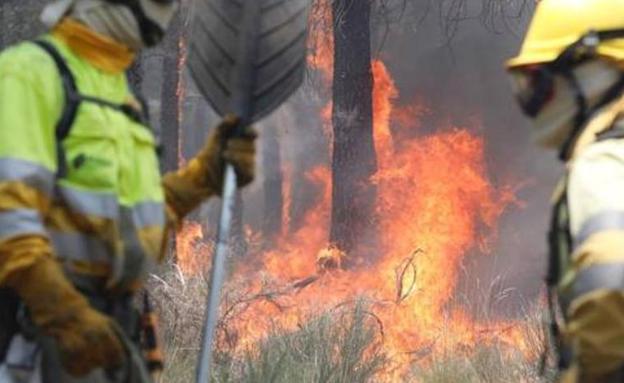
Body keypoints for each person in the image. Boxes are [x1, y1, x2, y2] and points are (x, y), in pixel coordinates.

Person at [0, 0, 257, 382]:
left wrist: (205, 175)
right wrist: (64, 313)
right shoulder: (30, 73)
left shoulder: (119, 94)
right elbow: (10, 217)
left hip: (114, 331)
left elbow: (137, 221)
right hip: (45, 337)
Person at [506, 0, 624, 381]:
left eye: (540, 83)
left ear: (595, 72)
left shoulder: (606, 161)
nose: (533, 103)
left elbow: (613, 279)